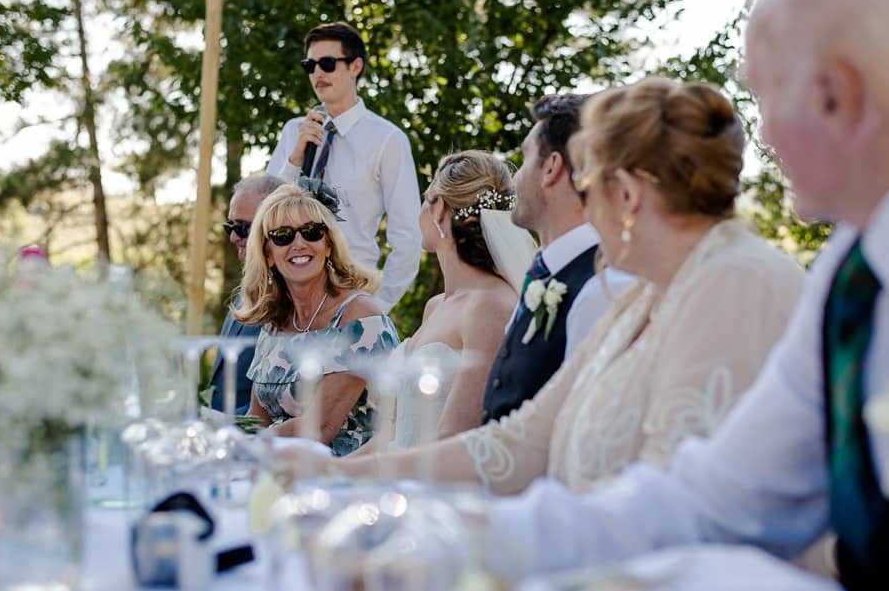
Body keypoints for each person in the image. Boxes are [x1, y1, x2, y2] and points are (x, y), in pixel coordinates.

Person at [474, 0, 889, 588]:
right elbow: (720, 496)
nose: (761, 136)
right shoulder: (848, 273)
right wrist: (466, 537)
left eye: (767, 93)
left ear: (835, 95)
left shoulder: (745, 278)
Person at [293, 79, 804, 497]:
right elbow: (522, 439)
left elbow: (676, 501)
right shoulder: (635, 297)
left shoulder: (733, 283)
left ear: (624, 190)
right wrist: (332, 472)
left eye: (592, 180)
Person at [351, 150, 533, 453]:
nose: (420, 209)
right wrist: (331, 471)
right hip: (399, 472)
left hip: (437, 485)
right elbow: (398, 433)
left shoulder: (490, 307)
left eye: (426, 198)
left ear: (440, 211)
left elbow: (453, 437)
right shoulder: (436, 306)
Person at [481, 94, 632, 425]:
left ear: (551, 167)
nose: (516, 177)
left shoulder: (605, 288)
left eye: (524, 159)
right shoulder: (546, 277)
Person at [233, 182, 400, 456]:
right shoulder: (275, 324)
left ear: (328, 245)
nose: (299, 244)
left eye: (311, 232)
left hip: (348, 475)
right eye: (283, 235)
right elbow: (257, 417)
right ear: (268, 254)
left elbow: (321, 428)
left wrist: (254, 443)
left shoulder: (361, 318)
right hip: (280, 468)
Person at [265, 22, 420, 314]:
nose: (318, 74)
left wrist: (379, 305)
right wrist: (294, 159)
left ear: (355, 66)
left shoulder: (387, 139)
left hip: (352, 292)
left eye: (327, 63)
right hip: (289, 297)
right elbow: (264, 215)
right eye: (310, 65)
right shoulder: (294, 132)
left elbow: (408, 236)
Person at [209, 174, 284, 414]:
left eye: (242, 228)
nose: (232, 237)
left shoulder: (293, 296)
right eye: (229, 226)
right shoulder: (246, 289)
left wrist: (227, 426)